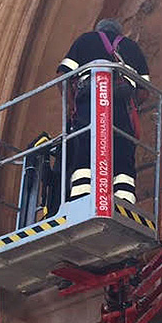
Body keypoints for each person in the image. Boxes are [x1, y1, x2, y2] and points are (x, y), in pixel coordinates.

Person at [57, 18, 150, 204]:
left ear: (98, 30)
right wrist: (132, 105)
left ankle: (82, 194)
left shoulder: (85, 40)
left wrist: (70, 106)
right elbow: (145, 90)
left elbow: (63, 75)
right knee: (123, 147)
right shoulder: (132, 47)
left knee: (86, 143)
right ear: (119, 32)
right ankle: (124, 196)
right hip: (122, 105)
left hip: (89, 101)